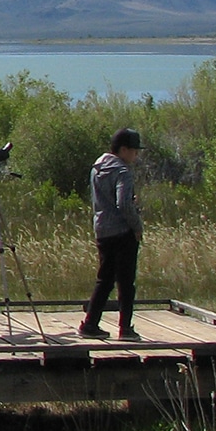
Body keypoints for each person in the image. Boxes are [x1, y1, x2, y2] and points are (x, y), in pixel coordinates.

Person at [79, 128, 145, 341]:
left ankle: (90, 324)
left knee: (104, 279)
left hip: (102, 230)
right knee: (126, 281)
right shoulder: (123, 171)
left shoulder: (97, 167)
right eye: (134, 151)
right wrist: (137, 226)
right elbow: (123, 203)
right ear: (123, 150)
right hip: (122, 231)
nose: (136, 155)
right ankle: (125, 328)